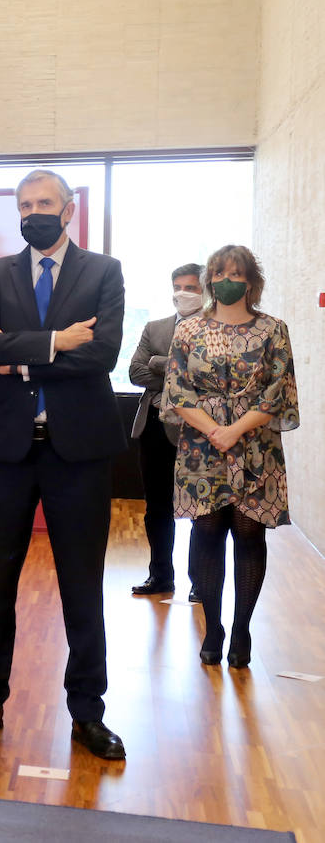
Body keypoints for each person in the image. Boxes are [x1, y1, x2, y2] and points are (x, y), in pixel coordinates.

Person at [0, 169, 128, 761]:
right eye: (24, 205)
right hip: (7, 450)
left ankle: (87, 712)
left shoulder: (103, 271)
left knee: (82, 585)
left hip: (78, 452)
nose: (33, 213)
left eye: (44, 203)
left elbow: (102, 353)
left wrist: (17, 354)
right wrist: (55, 344)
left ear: (69, 209)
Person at [163, 245, 297, 668]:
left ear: (251, 282)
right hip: (201, 449)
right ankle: (214, 626)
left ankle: (241, 628)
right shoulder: (188, 331)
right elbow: (177, 390)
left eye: (236, 274)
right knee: (205, 534)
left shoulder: (273, 329)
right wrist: (214, 431)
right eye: (219, 272)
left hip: (256, 447)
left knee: (249, 536)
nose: (227, 280)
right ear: (209, 280)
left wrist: (235, 430)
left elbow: (280, 391)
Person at [128, 263, 204, 598]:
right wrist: (173, 368)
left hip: (200, 431)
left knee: (204, 510)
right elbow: (134, 372)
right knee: (156, 508)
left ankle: (202, 581)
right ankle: (160, 576)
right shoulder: (154, 327)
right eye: (177, 286)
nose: (182, 294)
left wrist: (159, 362)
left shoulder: (215, 330)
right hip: (155, 428)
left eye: (191, 287)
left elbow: (207, 379)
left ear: (205, 291)